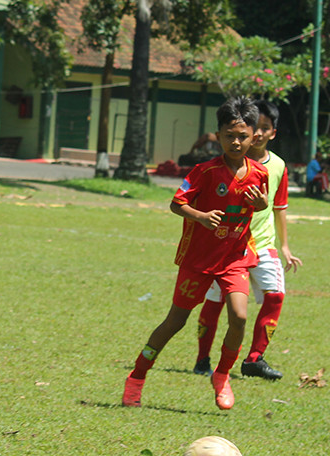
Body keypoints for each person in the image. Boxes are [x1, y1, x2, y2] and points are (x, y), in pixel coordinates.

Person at [122, 97, 269, 411]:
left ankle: (222, 375)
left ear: (254, 136)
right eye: (229, 135)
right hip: (199, 259)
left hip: (235, 256)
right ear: (218, 135)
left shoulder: (259, 174)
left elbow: (261, 204)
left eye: (243, 136)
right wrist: (199, 216)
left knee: (240, 317)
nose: (236, 141)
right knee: (175, 321)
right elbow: (177, 203)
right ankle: (136, 377)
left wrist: (261, 205)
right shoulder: (205, 171)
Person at [194, 99, 303, 381]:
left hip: (263, 243)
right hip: (228, 244)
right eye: (255, 128)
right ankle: (203, 358)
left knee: (276, 295)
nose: (257, 135)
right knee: (216, 301)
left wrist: (285, 246)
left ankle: (255, 359)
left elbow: (279, 208)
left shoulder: (277, 166)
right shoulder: (227, 164)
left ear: (270, 133)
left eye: (264, 129)